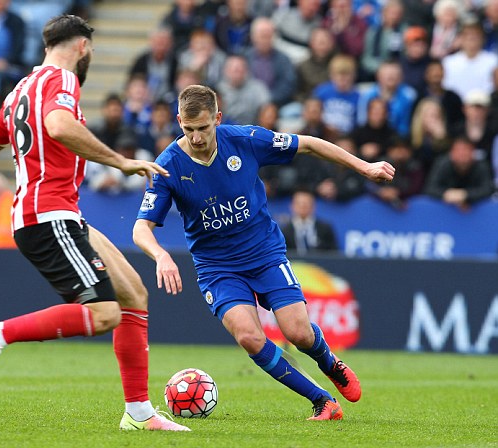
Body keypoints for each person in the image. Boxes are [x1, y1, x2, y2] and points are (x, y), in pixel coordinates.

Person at [0, 14, 189, 432]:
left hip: (58, 213)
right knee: (104, 314)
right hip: (47, 215)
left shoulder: (18, 92)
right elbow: (58, 125)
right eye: (91, 50)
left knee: (133, 294)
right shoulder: (61, 82)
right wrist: (121, 161)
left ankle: (139, 414)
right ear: (82, 47)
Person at [133, 84, 395, 420]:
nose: (196, 138)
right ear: (178, 121)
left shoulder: (245, 139)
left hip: (264, 254)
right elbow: (141, 228)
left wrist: (364, 167)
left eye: (203, 128)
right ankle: (322, 401)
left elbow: (310, 145)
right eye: (188, 129)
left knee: (298, 332)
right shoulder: (168, 165)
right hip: (217, 268)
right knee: (249, 337)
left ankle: (329, 362)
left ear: (218, 118)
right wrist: (161, 255)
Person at [424, 136, 494, 209]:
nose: (462, 154)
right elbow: (429, 188)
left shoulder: (482, 166)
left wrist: (465, 195)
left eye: (465, 150)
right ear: (451, 153)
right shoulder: (442, 164)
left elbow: (488, 189)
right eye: (458, 150)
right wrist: (447, 194)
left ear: (472, 152)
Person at [280, 188, 338, 254]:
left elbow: (333, 254)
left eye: (306, 204)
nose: (302, 207)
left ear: (313, 206)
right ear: (292, 206)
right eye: (299, 203)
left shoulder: (325, 229)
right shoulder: (285, 231)